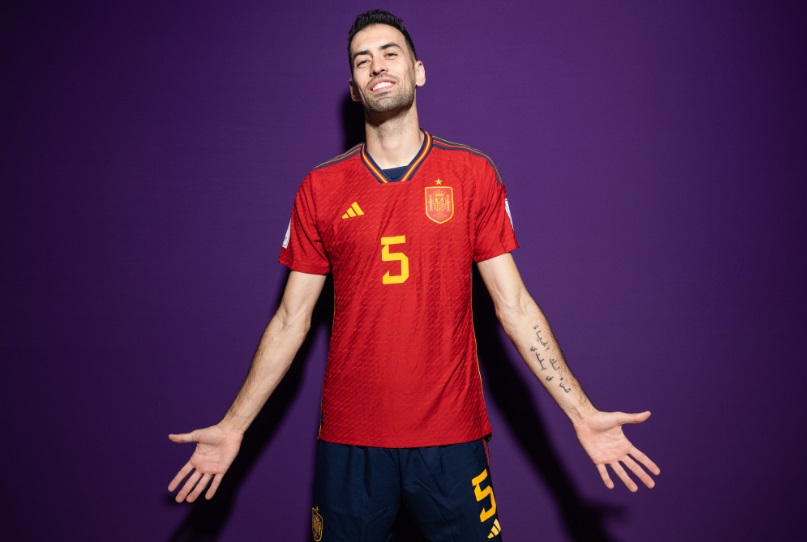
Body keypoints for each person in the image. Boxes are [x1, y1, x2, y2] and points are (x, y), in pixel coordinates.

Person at [168, 9, 660, 541]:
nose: (377, 66)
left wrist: (581, 413)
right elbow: (291, 319)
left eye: (390, 53)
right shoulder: (320, 189)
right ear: (353, 88)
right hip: (351, 441)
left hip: (451, 438)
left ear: (418, 71)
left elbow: (514, 306)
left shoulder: (471, 174)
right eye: (362, 60)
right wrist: (233, 426)